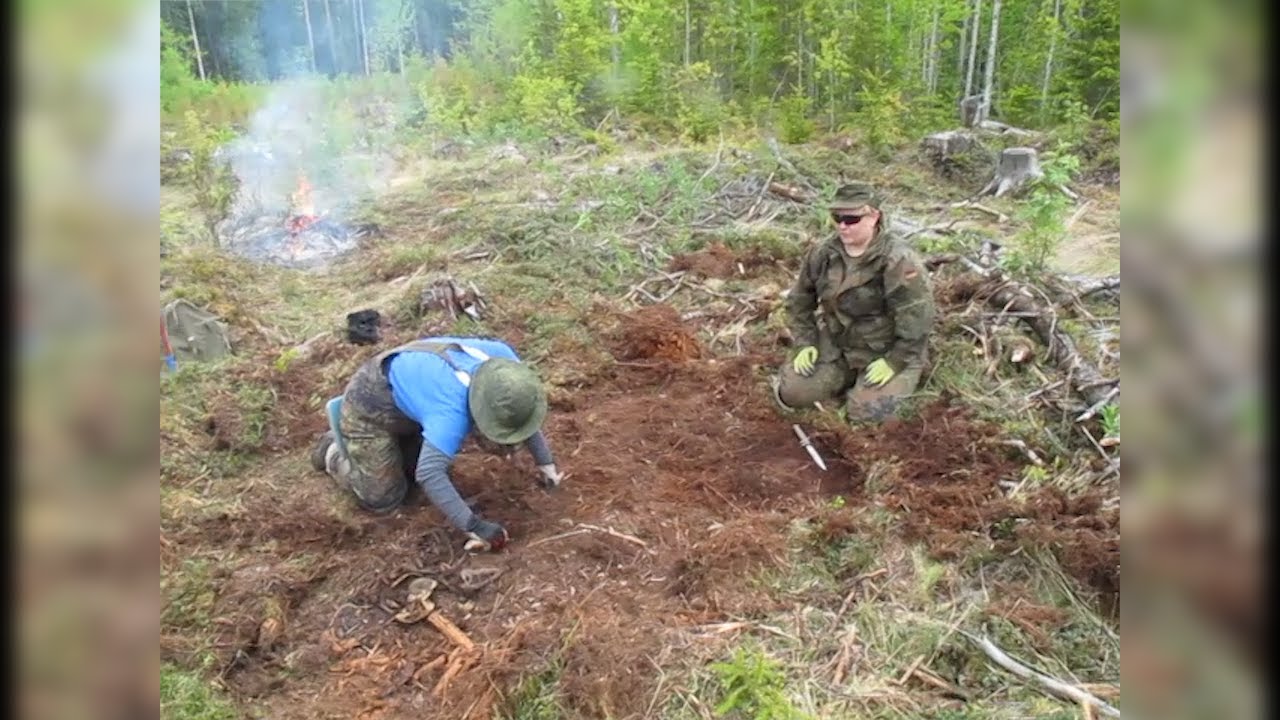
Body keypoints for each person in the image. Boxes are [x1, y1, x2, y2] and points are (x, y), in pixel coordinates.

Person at [311, 336, 563, 552]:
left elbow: (518, 410)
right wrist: (474, 526)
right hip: (372, 403)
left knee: (415, 472)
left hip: (417, 392)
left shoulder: (507, 370)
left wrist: (546, 463)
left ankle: (402, 441)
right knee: (385, 498)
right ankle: (332, 451)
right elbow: (429, 473)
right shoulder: (451, 412)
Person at [774, 182, 936, 422]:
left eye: (851, 219)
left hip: (886, 347)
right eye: (837, 217)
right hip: (837, 343)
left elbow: (917, 317)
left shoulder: (898, 260)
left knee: (866, 414)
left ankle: (902, 377)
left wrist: (895, 361)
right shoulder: (823, 253)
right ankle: (845, 379)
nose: (842, 225)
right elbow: (799, 300)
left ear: (874, 217)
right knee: (793, 394)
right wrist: (805, 342)